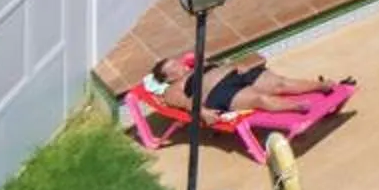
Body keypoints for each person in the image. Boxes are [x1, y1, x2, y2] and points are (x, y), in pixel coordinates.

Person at [145, 51, 349, 117]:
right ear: (168, 78)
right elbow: (185, 103)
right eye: (172, 68)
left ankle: (320, 86)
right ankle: (299, 107)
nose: (179, 66)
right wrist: (203, 112)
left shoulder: (201, 65)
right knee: (260, 99)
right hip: (217, 92)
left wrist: (238, 65)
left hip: (236, 74)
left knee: (280, 83)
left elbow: (228, 63)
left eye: (176, 62)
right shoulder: (173, 88)